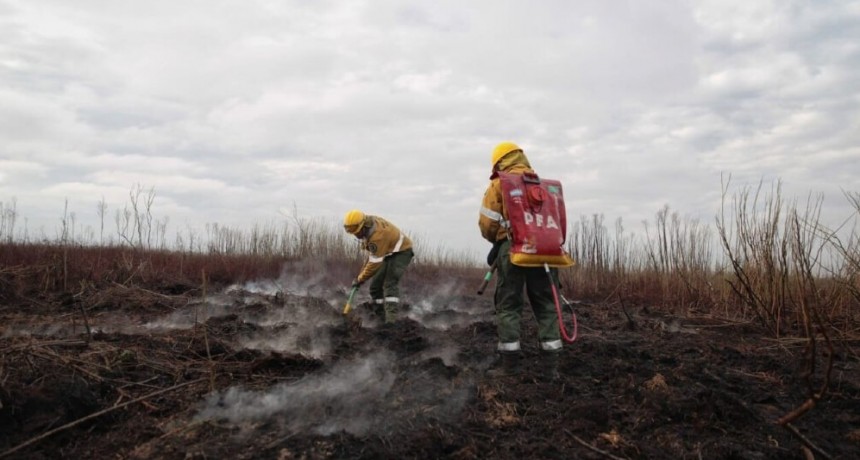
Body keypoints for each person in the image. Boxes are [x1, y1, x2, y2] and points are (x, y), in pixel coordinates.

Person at [478, 141, 563, 380]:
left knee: (509, 306)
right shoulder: (543, 187)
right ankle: (551, 368)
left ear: (499, 162)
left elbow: (487, 225)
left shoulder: (499, 185)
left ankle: (510, 367)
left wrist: (500, 241)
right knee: (547, 305)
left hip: (514, 251)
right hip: (546, 253)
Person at [343, 209, 414, 324]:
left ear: (363, 226)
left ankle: (391, 322)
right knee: (375, 287)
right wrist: (359, 277)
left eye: (357, 232)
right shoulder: (368, 223)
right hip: (387, 253)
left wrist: (360, 279)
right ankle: (380, 317)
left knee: (389, 283)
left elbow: (374, 264)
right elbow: (371, 258)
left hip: (402, 252)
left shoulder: (377, 236)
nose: (356, 235)